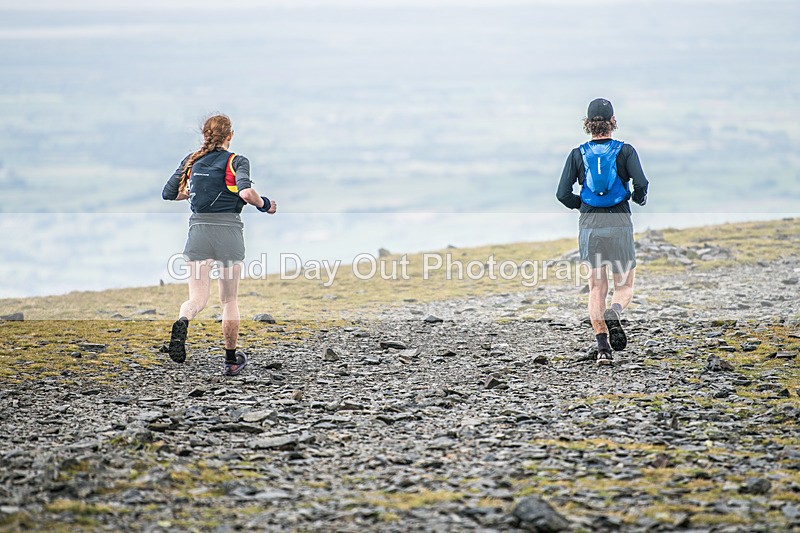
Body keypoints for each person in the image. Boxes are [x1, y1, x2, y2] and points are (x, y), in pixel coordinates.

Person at [162, 114, 277, 376]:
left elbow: (169, 193)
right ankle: (230, 360)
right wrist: (266, 204)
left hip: (199, 231)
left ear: (205, 134)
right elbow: (246, 193)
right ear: (230, 135)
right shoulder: (237, 160)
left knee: (197, 298)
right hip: (228, 232)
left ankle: (183, 320)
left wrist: (192, 193)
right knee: (229, 299)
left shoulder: (192, 160)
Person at [556, 98, 649, 365]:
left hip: (590, 223)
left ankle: (603, 349)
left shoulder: (577, 154)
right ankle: (616, 312)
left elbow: (562, 194)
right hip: (619, 220)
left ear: (588, 123)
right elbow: (641, 182)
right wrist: (638, 198)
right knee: (625, 284)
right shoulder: (625, 151)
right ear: (612, 122)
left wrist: (583, 205)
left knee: (596, 287)